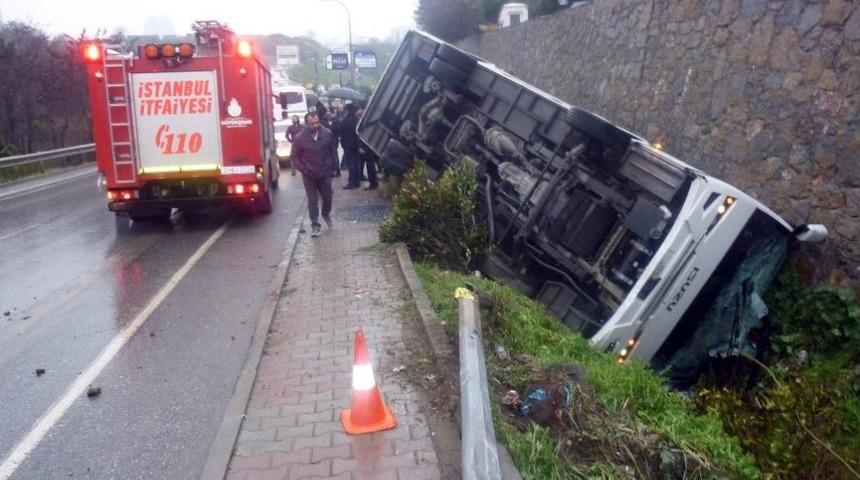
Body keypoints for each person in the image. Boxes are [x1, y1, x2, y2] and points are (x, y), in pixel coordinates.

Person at [290, 112, 339, 237]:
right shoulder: (300, 138)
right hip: (309, 175)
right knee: (312, 200)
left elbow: (333, 151)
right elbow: (294, 157)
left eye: (317, 122)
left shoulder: (327, 133)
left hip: (325, 172)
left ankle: (325, 213)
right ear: (307, 124)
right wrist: (303, 169)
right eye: (312, 124)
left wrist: (335, 168)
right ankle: (315, 225)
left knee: (327, 198)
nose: (315, 125)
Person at [338, 103, 361, 189]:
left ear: (347, 110)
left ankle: (352, 182)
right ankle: (357, 181)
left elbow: (341, 132)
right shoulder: (357, 120)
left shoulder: (345, 121)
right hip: (356, 144)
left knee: (350, 163)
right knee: (356, 162)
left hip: (348, 145)